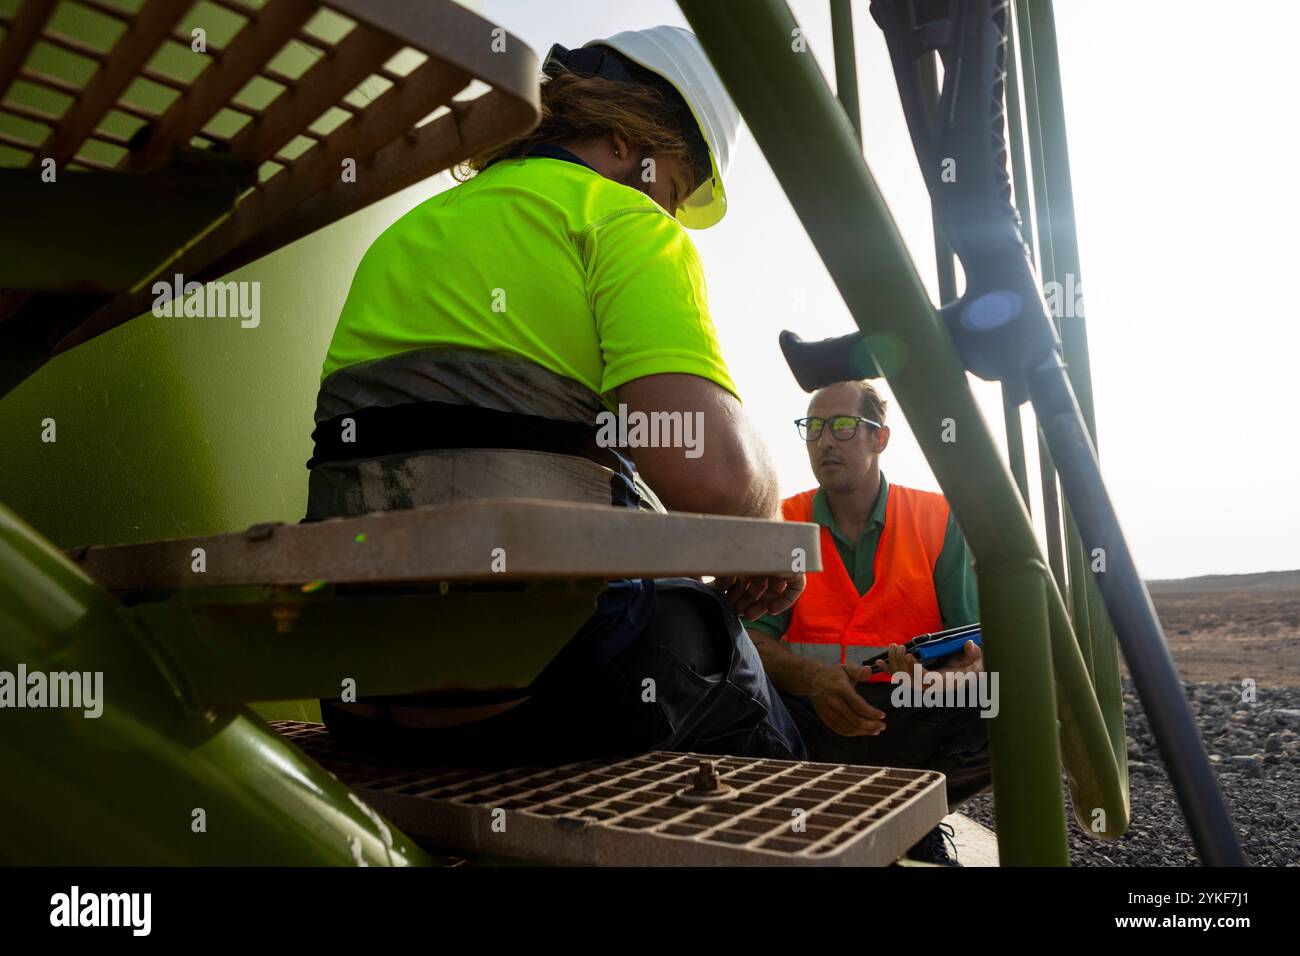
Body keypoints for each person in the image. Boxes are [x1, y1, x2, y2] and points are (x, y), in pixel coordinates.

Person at [305, 26, 805, 766]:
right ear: (623, 139)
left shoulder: (408, 234)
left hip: (358, 696)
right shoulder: (621, 220)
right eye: (669, 187)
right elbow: (713, 479)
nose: (666, 212)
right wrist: (765, 524)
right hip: (544, 693)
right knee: (724, 661)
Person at [745, 380, 992, 814]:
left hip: (911, 713)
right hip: (807, 714)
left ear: (880, 437)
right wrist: (812, 679)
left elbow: (973, 648)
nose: (824, 441)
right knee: (729, 693)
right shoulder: (783, 521)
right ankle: (812, 815)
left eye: (842, 426)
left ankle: (917, 819)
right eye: (813, 427)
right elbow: (749, 643)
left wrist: (947, 679)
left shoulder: (938, 519)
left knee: (1010, 700)